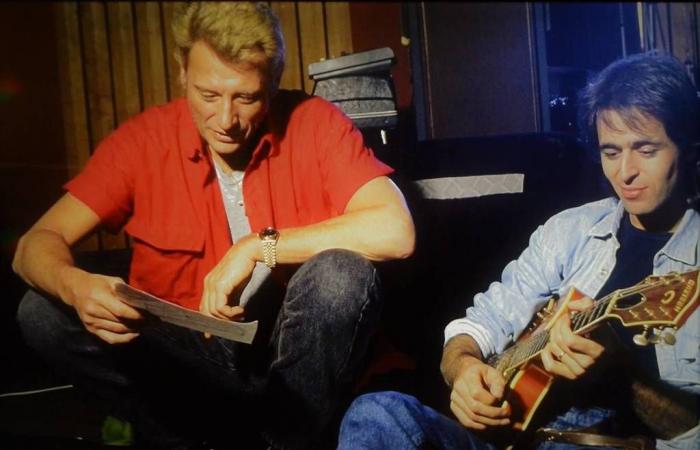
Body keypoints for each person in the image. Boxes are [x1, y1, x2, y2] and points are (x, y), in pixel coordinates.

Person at [12, 3, 415, 450]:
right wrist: (74, 286)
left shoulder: (315, 124)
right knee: (41, 311)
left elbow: (396, 231)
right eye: (208, 95)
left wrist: (256, 247)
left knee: (342, 274)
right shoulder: (142, 142)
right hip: (188, 366)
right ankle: (185, 436)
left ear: (273, 84)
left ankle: (280, 442)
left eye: (246, 98)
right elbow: (34, 244)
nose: (225, 120)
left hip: (291, 368)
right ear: (182, 72)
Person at [338, 52, 699, 450]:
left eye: (646, 150)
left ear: (687, 146)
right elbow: (476, 325)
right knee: (377, 412)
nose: (625, 172)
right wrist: (463, 370)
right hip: (511, 439)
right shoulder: (570, 231)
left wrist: (621, 378)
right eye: (611, 152)